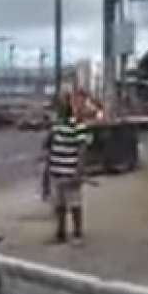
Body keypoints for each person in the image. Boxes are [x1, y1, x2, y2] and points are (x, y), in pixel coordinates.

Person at [43, 98, 91, 245]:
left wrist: (79, 172)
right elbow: (48, 146)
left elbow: (82, 151)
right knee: (60, 205)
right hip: (56, 172)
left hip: (70, 172)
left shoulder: (78, 126)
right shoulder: (56, 127)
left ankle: (77, 233)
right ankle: (61, 233)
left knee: (75, 205)